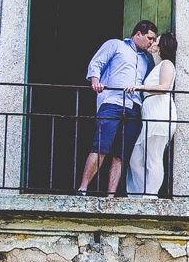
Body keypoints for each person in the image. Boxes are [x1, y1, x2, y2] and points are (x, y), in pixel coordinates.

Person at [76, 20, 157, 196]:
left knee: (121, 154)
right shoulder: (116, 45)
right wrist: (95, 80)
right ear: (138, 34)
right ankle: (82, 189)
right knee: (101, 147)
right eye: (149, 38)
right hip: (112, 103)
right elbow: (96, 63)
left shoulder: (147, 60)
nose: (151, 42)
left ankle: (110, 195)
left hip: (134, 107)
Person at [126, 31, 179, 197]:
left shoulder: (167, 65)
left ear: (161, 47)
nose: (152, 43)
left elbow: (164, 87)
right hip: (150, 115)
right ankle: (140, 194)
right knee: (135, 158)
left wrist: (140, 87)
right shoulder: (157, 66)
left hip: (160, 113)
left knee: (154, 157)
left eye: (156, 41)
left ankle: (150, 196)